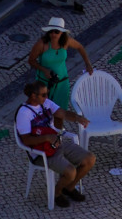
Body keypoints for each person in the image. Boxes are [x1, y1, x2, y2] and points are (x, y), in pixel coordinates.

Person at [14, 76, 94, 204]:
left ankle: (69, 187)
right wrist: (46, 138)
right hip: (41, 153)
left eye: (47, 94)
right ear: (33, 96)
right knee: (70, 171)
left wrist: (78, 118)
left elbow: (63, 113)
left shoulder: (45, 103)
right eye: (43, 95)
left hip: (56, 144)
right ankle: (56, 193)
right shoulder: (23, 114)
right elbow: (26, 140)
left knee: (89, 159)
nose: (46, 97)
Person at [27, 17, 92, 104]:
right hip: (45, 85)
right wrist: (44, 70)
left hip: (62, 83)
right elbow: (31, 60)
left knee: (61, 112)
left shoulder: (66, 41)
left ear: (62, 32)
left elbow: (80, 47)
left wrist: (87, 63)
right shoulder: (41, 44)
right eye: (51, 31)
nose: (53, 34)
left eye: (56, 31)